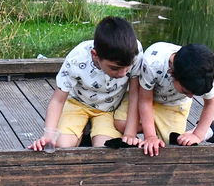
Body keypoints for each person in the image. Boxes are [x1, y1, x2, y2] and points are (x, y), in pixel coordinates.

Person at [29, 16, 141, 151]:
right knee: (63, 146)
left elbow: (135, 94)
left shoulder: (134, 52)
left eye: (127, 68)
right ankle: (77, 134)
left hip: (109, 109)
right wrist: (49, 135)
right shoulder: (77, 59)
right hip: (77, 103)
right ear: (95, 55)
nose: (123, 74)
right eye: (115, 68)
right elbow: (58, 100)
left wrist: (130, 133)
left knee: (105, 149)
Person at [119, 42, 214, 155]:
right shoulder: (153, 63)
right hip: (148, 98)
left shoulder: (201, 73)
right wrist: (150, 136)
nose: (190, 97)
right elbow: (145, 100)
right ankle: (156, 127)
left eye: (194, 94)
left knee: (172, 142)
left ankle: (210, 130)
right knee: (122, 124)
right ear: (172, 72)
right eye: (185, 92)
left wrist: (197, 135)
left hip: (174, 104)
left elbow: (211, 102)